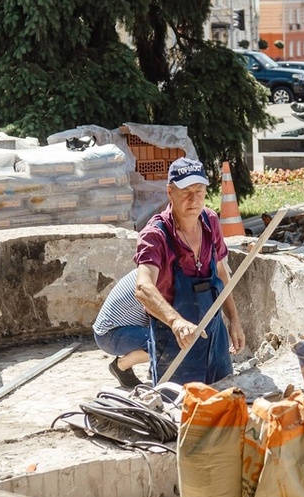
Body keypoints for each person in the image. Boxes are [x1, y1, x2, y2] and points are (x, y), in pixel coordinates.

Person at [134, 157, 246, 385]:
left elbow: (222, 273)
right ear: (170, 192)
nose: (194, 199)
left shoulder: (211, 222)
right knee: (179, 408)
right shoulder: (155, 235)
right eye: (185, 192)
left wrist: (234, 319)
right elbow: (143, 288)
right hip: (175, 339)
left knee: (223, 401)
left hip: (214, 334)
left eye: (199, 190)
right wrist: (176, 321)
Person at [93, 269, 151, 389]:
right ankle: (121, 366)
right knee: (165, 343)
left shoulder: (148, 270)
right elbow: (154, 312)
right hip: (110, 335)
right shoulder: (151, 278)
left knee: (165, 336)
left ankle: (154, 367)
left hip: (113, 331)